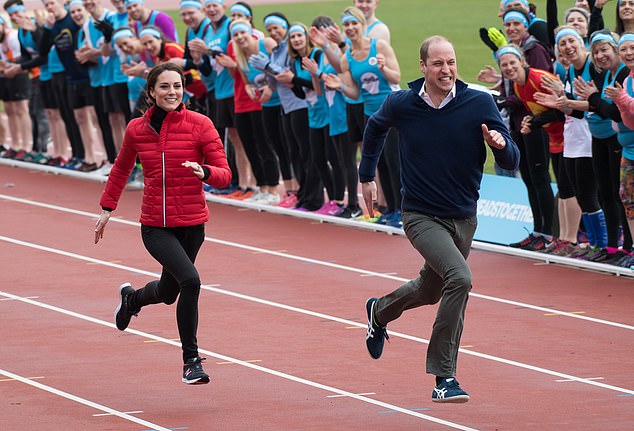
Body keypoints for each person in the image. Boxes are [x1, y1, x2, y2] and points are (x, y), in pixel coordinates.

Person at [361, 36, 519, 403]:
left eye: (450, 62)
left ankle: (379, 312)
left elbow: (513, 159)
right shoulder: (402, 103)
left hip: (464, 217)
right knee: (460, 279)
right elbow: (374, 128)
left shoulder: (478, 101)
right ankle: (444, 377)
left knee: (431, 290)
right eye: (438, 64)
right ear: (423, 67)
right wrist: (366, 175)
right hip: (419, 214)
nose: (446, 70)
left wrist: (500, 146)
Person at [94, 62, 231, 384]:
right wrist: (106, 209)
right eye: (165, 87)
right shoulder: (136, 130)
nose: (172, 93)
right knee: (191, 282)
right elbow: (120, 169)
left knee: (170, 292)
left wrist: (206, 172)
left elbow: (224, 174)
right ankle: (191, 361)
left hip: (193, 224)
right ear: (152, 91)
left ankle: (133, 299)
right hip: (156, 226)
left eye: (177, 86)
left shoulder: (200, 124)